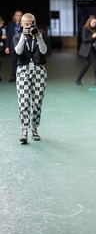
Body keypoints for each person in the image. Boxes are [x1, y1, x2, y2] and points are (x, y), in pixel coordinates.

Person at [14, 12, 48, 144]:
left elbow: (44, 51)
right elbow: (18, 51)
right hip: (23, 71)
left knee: (37, 102)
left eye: (31, 23)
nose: (29, 26)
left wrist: (39, 37)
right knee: (23, 101)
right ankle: (24, 130)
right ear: (21, 24)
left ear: (34, 23)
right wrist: (23, 35)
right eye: (26, 24)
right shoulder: (17, 36)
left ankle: (34, 128)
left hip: (39, 71)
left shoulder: (41, 35)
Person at [76, 15, 96, 86]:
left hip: (92, 49)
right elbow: (84, 40)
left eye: (95, 23)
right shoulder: (85, 28)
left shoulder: (94, 29)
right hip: (88, 51)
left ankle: (78, 80)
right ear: (90, 22)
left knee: (86, 66)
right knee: (95, 65)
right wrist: (92, 36)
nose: (95, 24)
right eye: (93, 22)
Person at [6, 10, 23, 82]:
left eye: (20, 15)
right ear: (14, 16)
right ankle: (13, 76)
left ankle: (21, 77)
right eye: (17, 15)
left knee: (22, 62)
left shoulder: (24, 24)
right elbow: (9, 36)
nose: (18, 17)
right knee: (13, 62)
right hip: (13, 46)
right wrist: (7, 47)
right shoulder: (10, 24)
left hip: (22, 47)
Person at [0, 16, 7, 81]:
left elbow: (4, 39)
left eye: (2, 23)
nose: (1, 25)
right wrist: (1, 38)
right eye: (0, 23)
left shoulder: (3, 29)